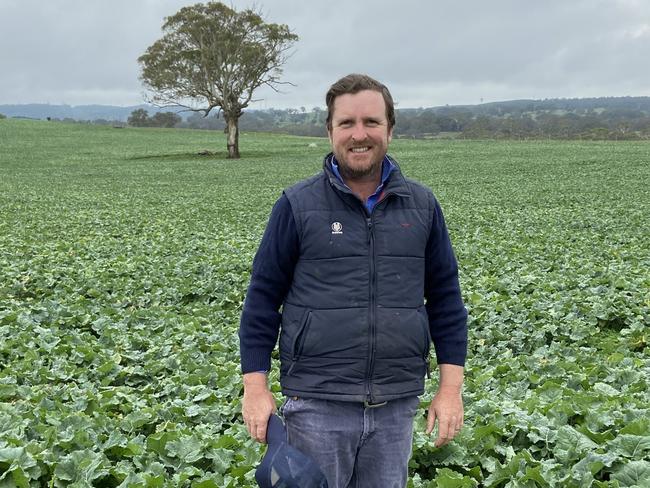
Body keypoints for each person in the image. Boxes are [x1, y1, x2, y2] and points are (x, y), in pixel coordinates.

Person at [239, 73, 468, 487]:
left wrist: (450, 389)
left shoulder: (422, 207)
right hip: (316, 406)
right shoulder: (296, 205)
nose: (359, 134)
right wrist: (255, 388)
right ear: (330, 131)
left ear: (390, 130)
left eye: (371, 123)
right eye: (346, 123)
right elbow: (261, 301)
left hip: (395, 408)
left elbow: (447, 301)